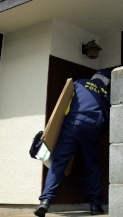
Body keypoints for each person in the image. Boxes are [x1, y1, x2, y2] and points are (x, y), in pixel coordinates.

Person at [35, 70, 111, 217]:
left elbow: (63, 104)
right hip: (92, 129)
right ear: (106, 82)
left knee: (58, 163)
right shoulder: (106, 94)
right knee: (92, 166)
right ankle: (95, 206)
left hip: (72, 125)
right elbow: (107, 119)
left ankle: (45, 201)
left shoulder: (79, 83)